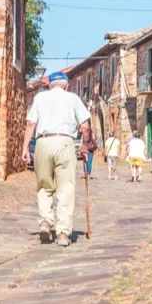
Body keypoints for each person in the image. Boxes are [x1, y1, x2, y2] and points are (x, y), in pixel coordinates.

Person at [22, 71, 91, 247]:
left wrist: (25, 149)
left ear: (50, 85)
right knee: (66, 187)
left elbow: (31, 124)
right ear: (66, 85)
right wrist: (84, 146)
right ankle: (62, 233)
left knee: (44, 185)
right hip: (65, 141)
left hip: (43, 142)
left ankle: (45, 222)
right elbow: (85, 126)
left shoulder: (40, 98)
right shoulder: (73, 98)